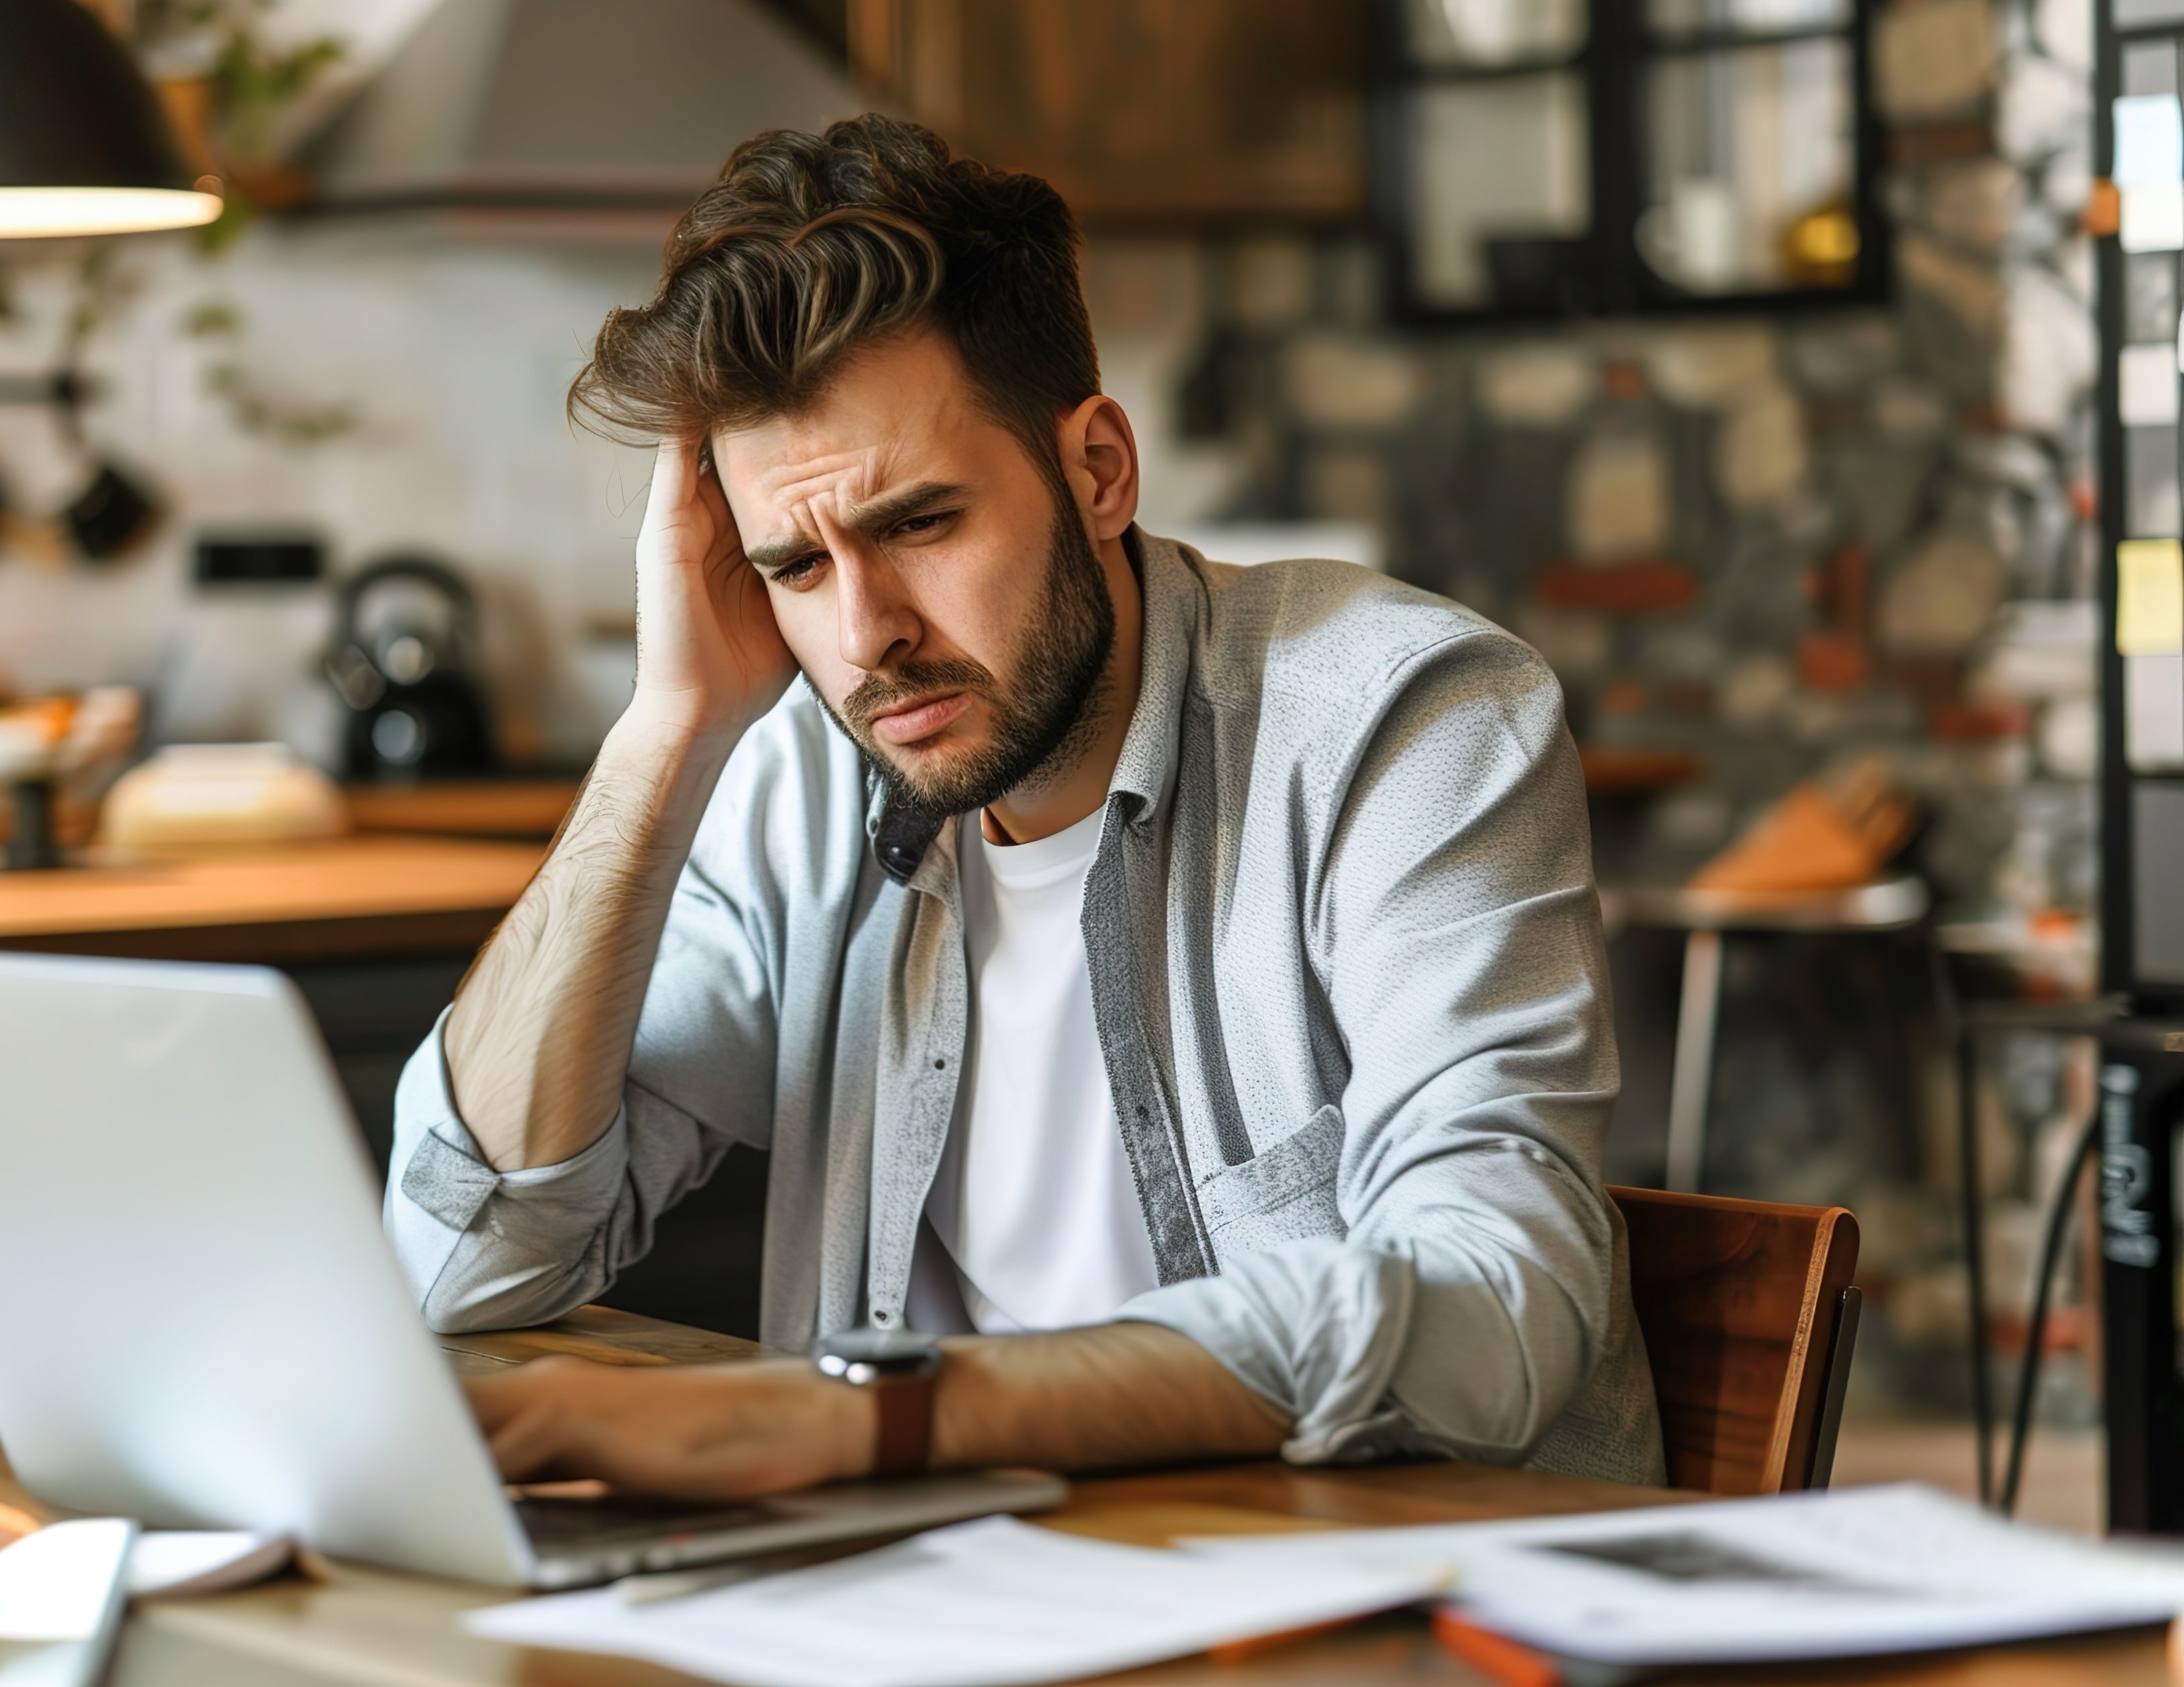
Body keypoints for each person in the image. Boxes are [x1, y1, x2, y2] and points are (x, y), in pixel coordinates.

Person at [384, 115, 1666, 1502]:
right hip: (937, 1603)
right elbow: (465, 1257)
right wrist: (662, 728)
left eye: (918, 524)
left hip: (1367, 1603)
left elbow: (1492, 1303)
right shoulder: (800, 787)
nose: (864, 633)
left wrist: (879, 1416)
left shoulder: (1399, 719)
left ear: (1098, 469)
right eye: (791, 568)